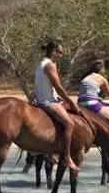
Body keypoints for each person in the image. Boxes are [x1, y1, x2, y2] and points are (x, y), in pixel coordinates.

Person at [33, 41, 81, 171]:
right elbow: (58, 87)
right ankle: (66, 157)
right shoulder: (50, 65)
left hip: (41, 100)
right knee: (69, 124)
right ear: (53, 52)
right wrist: (71, 102)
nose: (61, 55)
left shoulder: (40, 64)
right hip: (48, 102)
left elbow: (45, 87)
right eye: (60, 52)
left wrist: (59, 97)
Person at [77, 59, 109, 125]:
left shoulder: (86, 77)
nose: (104, 70)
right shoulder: (102, 79)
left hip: (80, 103)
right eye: (104, 68)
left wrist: (97, 98)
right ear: (101, 69)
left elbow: (86, 93)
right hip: (91, 103)